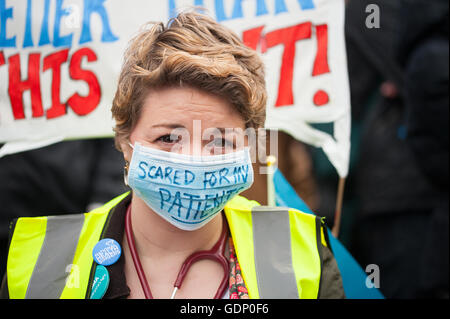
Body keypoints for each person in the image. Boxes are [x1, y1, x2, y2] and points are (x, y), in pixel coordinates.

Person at [1, 12, 344, 299]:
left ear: (248, 146)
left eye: (220, 141)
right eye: (167, 137)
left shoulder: (304, 255)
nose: (192, 158)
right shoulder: (38, 263)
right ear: (124, 140)